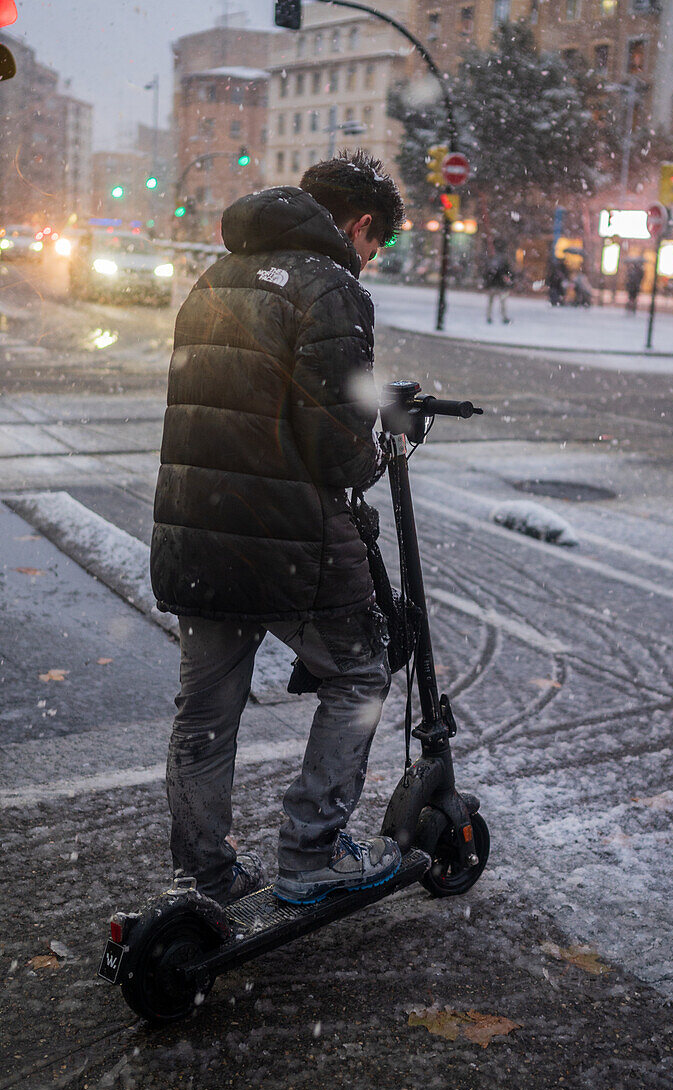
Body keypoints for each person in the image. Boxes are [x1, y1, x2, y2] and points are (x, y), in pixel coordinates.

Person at [150, 150, 405, 907]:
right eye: (376, 245)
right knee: (361, 672)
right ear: (359, 225)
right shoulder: (333, 286)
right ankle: (310, 852)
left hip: (195, 533)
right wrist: (380, 442)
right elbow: (335, 445)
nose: (371, 259)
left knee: (205, 710)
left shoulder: (214, 277)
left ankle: (207, 869)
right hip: (288, 543)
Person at [483, 239, 514, 323]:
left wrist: (487, 283)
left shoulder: (491, 258)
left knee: (491, 301)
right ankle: (503, 317)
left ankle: (489, 316)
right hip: (499, 284)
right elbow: (506, 270)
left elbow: (487, 272)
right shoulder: (502, 259)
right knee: (502, 302)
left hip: (493, 283)